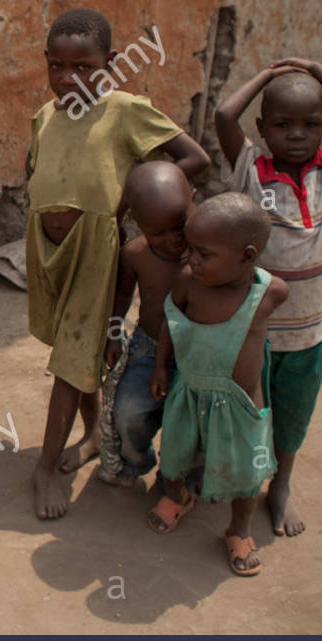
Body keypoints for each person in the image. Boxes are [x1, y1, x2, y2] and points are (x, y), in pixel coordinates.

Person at [25, 7, 209, 519]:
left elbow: (193, 158)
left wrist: (131, 204)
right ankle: (88, 436)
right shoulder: (45, 116)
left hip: (95, 253)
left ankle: (42, 469)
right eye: (58, 67)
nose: (70, 78)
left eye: (84, 67)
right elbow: (41, 168)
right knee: (78, 354)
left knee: (69, 362)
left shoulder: (126, 109)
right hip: (47, 252)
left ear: (108, 63)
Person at [215, 57, 322, 537]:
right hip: (254, 333)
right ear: (262, 128)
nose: (298, 134)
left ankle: (281, 484)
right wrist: (267, 75)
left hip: (307, 332)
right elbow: (224, 116)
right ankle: (237, 478)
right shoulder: (251, 173)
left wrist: (315, 69)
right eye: (282, 125)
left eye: (311, 124)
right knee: (247, 411)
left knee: (293, 416)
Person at [149, 194, 289, 577]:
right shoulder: (188, 283)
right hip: (189, 392)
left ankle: (239, 528)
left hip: (240, 405)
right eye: (190, 249)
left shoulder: (269, 293)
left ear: (247, 256)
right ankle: (178, 496)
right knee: (175, 455)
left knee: (245, 473)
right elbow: (168, 322)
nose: (191, 259)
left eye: (203, 253)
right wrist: (161, 366)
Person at [102, 161, 193, 485]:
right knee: (127, 413)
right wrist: (114, 336)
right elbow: (123, 295)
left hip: (195, 355)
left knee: (190, 423)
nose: (173, 239)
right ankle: (136, 462)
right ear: (138, 224)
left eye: (180, 225)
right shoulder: (136, 254)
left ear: (193, 200)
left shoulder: (208, 252)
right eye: (158, 232)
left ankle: (179, 480)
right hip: (148, 348)